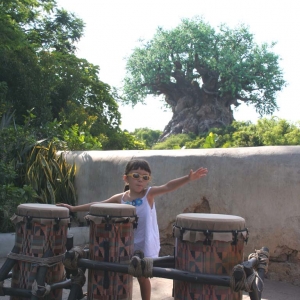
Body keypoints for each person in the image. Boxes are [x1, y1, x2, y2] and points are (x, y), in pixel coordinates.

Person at [57, 159, 208, 300]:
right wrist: (73, 208)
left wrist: (188, 178)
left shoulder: (148, 195)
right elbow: (98, 205)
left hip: (144, 243)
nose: (140, 179)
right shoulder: (121, 198)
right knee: (122, 272)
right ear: (126, 178)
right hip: (125, 243)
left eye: (145, 177)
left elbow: (168, 186)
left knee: (142, 276)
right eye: (136, 175)